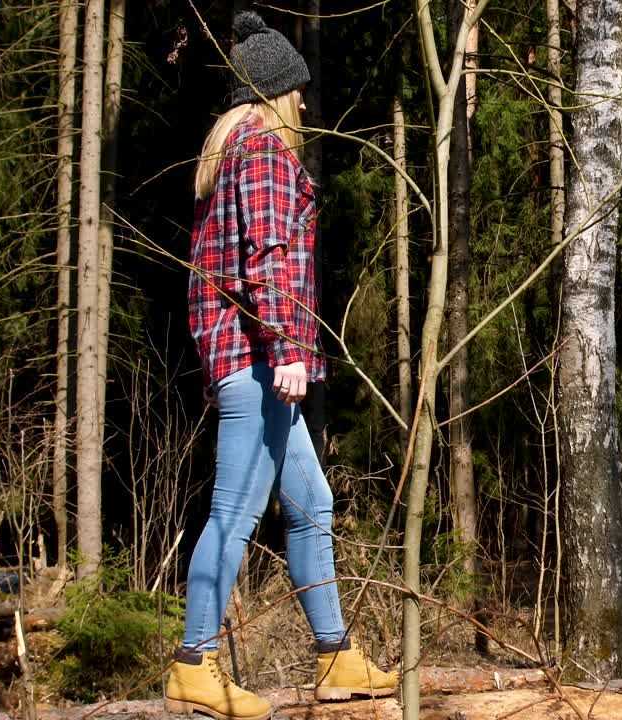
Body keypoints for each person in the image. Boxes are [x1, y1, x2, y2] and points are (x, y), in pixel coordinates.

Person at [165, 12, 396, 720]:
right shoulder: (264, 149)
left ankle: (335, 658)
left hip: (248, 358)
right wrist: (289, 350)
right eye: (297, 91)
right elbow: (267, 258)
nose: (304, 103)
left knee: (312, 504)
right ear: (274, 93)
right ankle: (192, 664)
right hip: (259, 359)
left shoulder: (231, 153)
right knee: (233, 512)